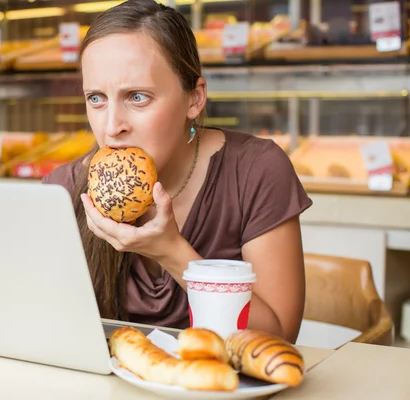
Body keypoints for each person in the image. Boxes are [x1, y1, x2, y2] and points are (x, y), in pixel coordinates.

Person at [42, 0, 312, 343]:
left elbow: (279, 338)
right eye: (96, 98)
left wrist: (171, 251)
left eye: (137, 97)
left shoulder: (256, 171)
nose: (112, 127)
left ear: (194, 99)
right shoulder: (60, 191)